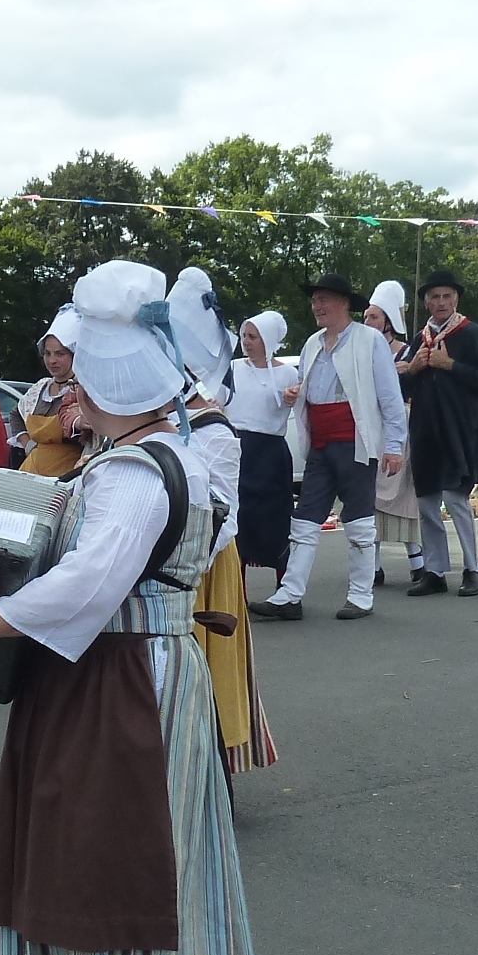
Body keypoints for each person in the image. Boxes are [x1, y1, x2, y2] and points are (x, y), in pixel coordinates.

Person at [0, 258, 255, 955]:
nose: (67, 392)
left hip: (127, 680)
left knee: (146, 851)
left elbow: (91, 585)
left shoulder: (139, 472)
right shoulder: (150, 454)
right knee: (76, 848)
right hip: (108, 672)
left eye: (82, 378)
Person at [248, 274, 408, 622]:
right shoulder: (313, 343)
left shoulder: (369, 341)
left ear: (345, 303)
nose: (317, 306)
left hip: (355, 442)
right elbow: (304, 385)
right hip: (320, 443)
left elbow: (389, 396)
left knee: (359, 518)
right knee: (305, 519)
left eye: (324, 300)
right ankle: (289, 594)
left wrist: (395, 444)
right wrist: (295, 393)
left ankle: (361, 595)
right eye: (315, 300)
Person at [169, 269, 278, 775]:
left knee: (210, 668)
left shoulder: (212, 429)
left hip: (201, 567)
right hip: (172, 565)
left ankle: (212, 768)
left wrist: (180, 569)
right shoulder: (160, 421)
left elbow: (221, 517)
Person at [394, 270, 478, 598]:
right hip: (425, 428)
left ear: (456, 300)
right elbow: (400, 387)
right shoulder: (418, 341)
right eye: (434, 297)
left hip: (459, 427)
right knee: (426, 502)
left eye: (446, 297)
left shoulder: (471, 334)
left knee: (455, 498)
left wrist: (448, 364)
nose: (441, 302)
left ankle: (472, 568)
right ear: (426, 303)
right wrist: (416, 367)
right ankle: (434, 570)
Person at [225, 311, 298, 587]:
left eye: (253, 337)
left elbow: (298, 404)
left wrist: (293, 396)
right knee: (239, 518)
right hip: (239, 450)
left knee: (275, 519)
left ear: (268, 339)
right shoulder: (232, 369)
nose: (247, 342)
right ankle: (238, 591)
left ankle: (284, 588)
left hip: (271, 454)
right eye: (245, 335)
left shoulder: (287, 373)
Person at [363, 282, 424, 588]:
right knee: (369, 498)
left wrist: (409, 370)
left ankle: (417, 561)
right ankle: (372, 567)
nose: (367, 323)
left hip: (399, 427)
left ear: (387, 321)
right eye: (365, 317)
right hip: (370, 428)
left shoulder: (407, 351)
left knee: (402, 495)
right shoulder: (358, 348)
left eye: (373, 317)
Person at [17, 303, 87, 478]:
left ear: (74, 354)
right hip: (31, 470)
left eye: (60, 354)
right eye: (48, 354)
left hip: (67, 474)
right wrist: (27, 444)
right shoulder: (40, 389)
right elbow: (16, 415)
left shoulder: (83, 390)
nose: (52, 360)